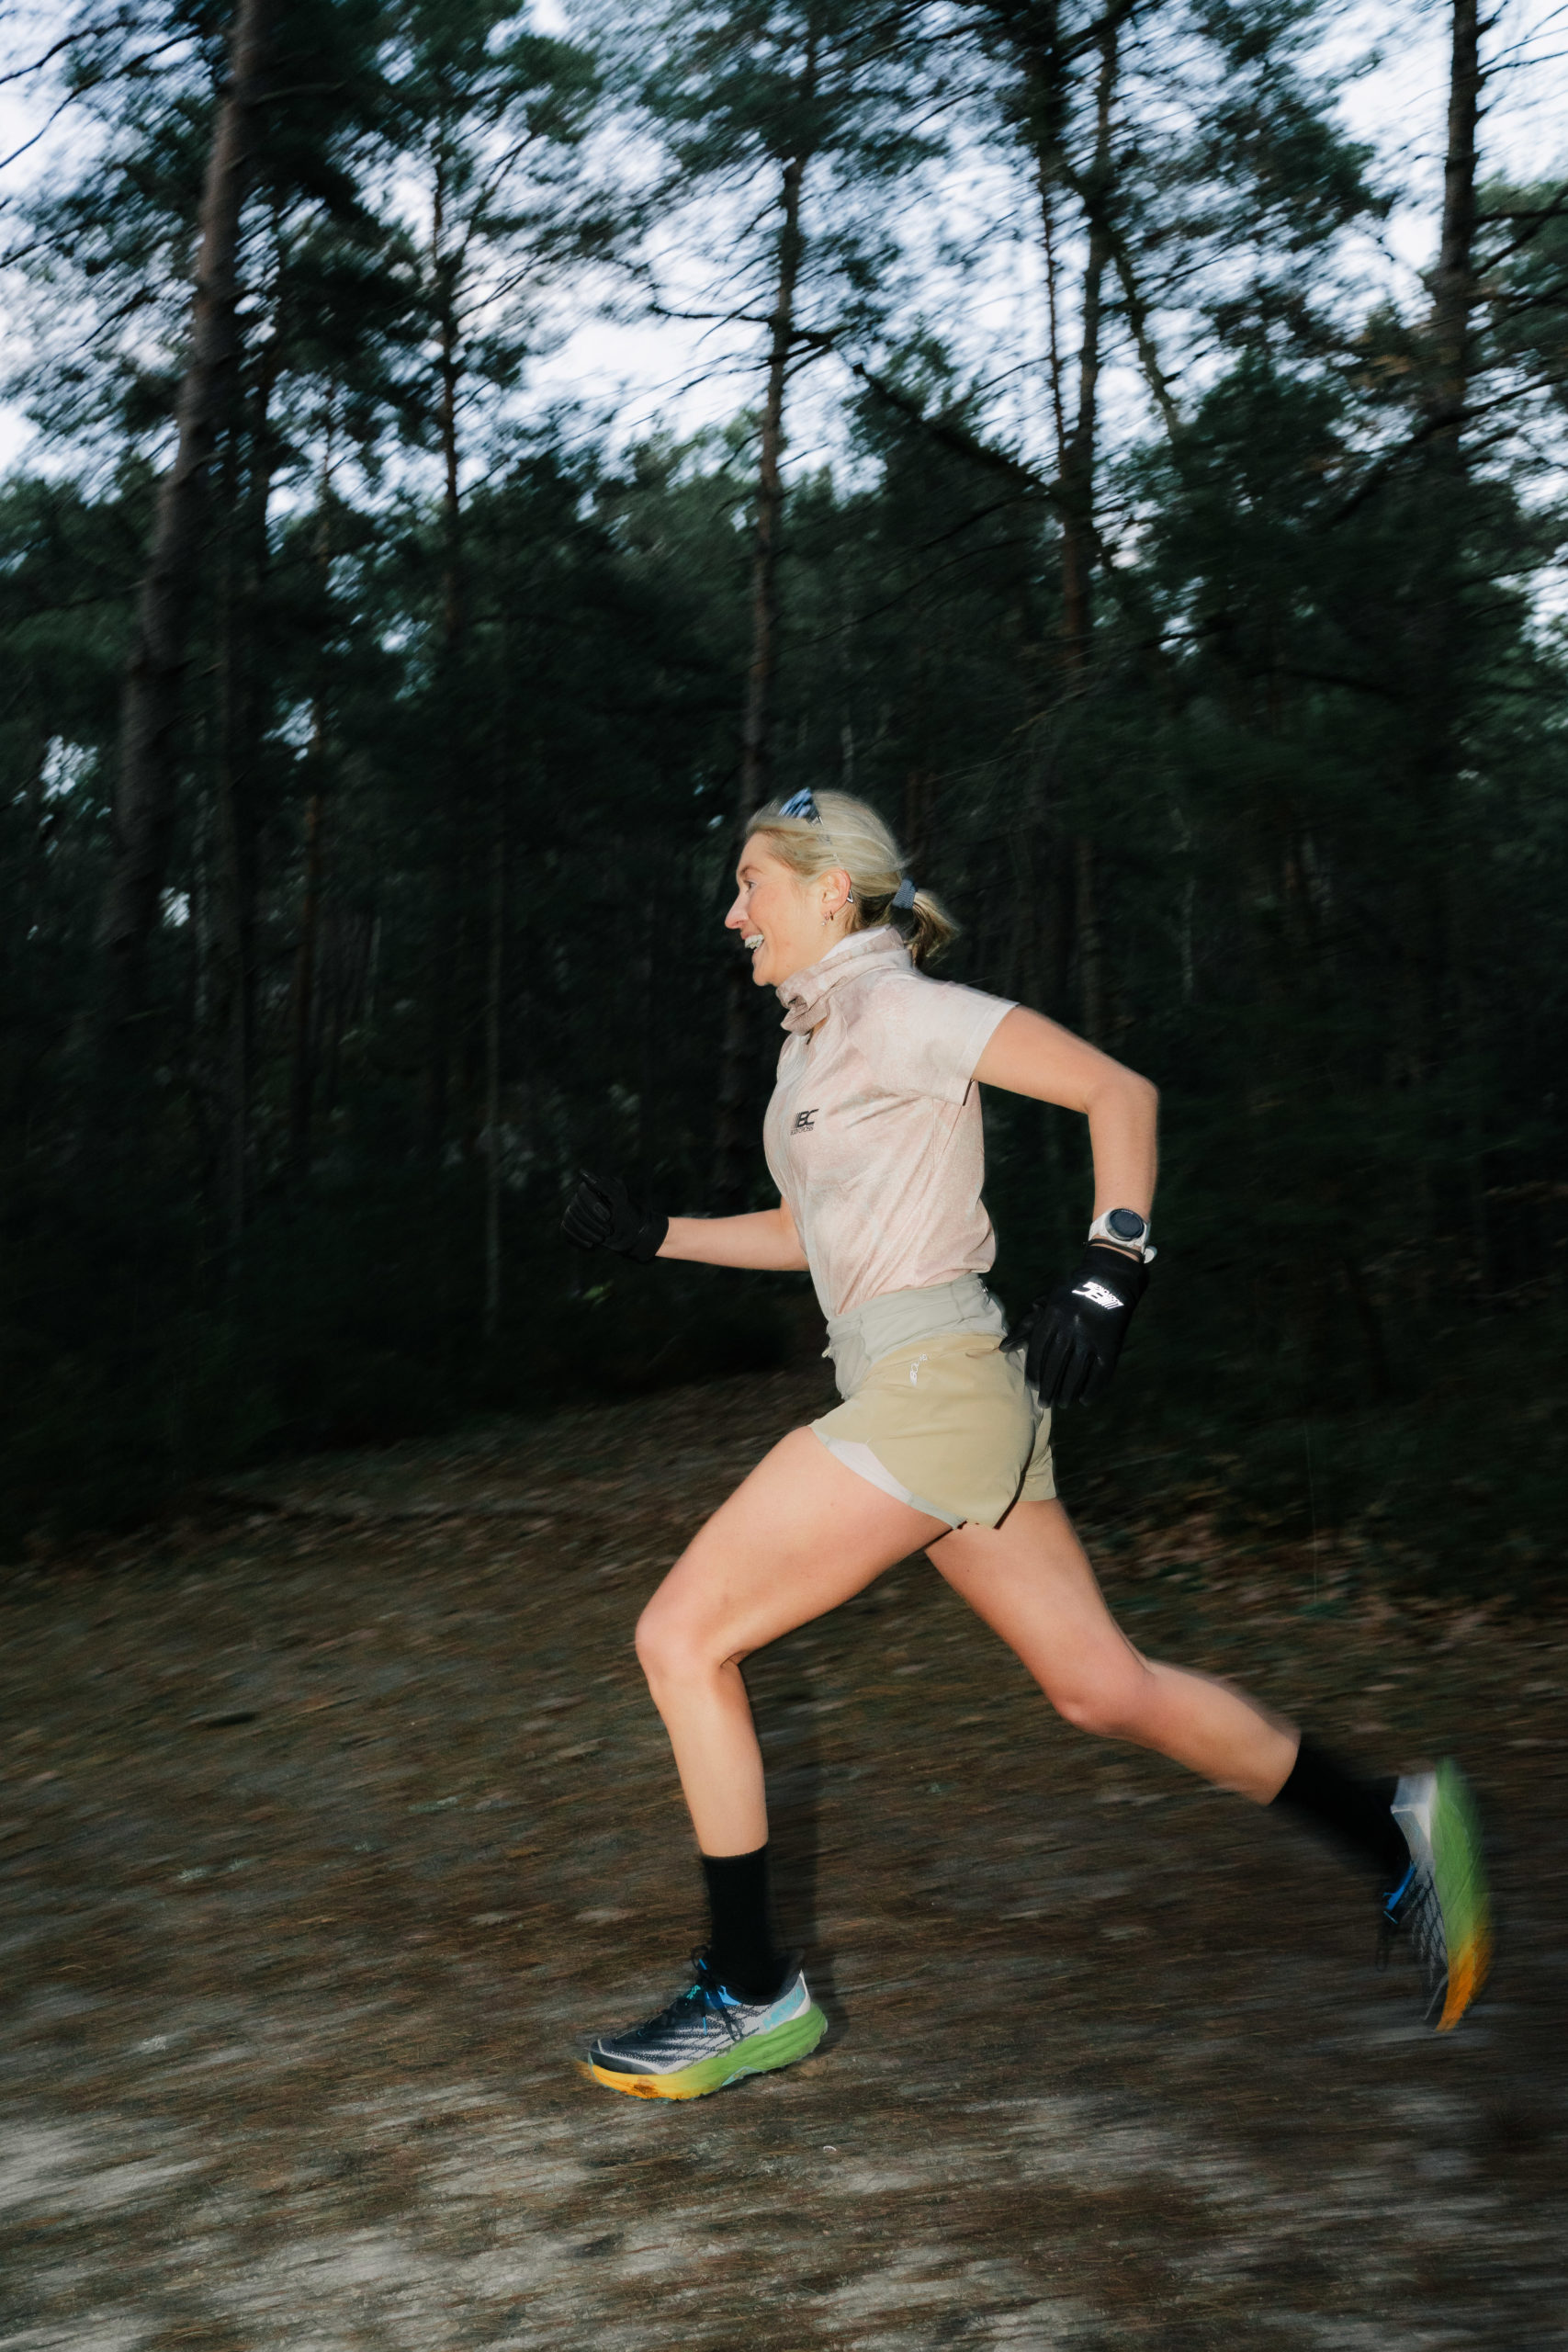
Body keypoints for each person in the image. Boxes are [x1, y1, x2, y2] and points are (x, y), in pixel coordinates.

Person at [561, 788, 1489, 2102]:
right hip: (936, 1384)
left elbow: (1118, 1091)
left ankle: (752, 1990)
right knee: (1104, 1689)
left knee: (681, 1638)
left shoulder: (899, 1010)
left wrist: (1111, 1268)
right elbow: (809, 1235)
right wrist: (653, 1235)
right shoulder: (816, 1046)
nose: (733, 912)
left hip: (931, 1391)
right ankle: (1392, 1829)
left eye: (751, 883)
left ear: (829, 892)